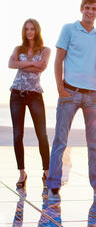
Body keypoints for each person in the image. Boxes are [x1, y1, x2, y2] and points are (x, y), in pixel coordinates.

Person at [46, 0, 96, 202]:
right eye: (86, 8)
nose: (90, 11)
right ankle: (53, 185)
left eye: (94, 8)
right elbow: (58, 59)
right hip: (70, 92)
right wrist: (60, 88)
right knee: (60, 140)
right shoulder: (68, 29)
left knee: (94, 142)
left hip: (92, 95)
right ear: (81, 9)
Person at [8, 19, 51, 190]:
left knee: (42, 134)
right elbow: (11, 64)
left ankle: (47, 172)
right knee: (18, 135)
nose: (30, 32)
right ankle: (22, 173)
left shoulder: (45, 50)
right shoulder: (18, 49)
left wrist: (22, 64)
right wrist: (33, 63)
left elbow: (42, 67)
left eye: (32, 29)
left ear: (37, 30)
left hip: (35, 95)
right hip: (17, 93)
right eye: (27, 29)